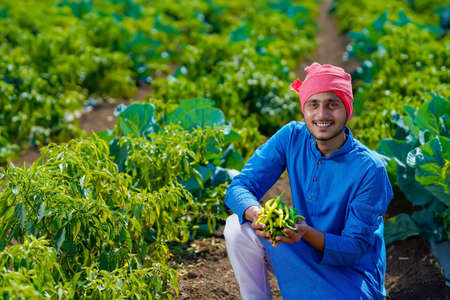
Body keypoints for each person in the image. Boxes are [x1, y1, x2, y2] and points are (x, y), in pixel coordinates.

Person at [223, 62, 393, 300]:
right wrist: (256, 214)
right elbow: (238, 187)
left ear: (348, 110)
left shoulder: (369, 169)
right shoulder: (292, 136)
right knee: (237, 227)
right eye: (314, 104)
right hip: (301, 248)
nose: (322, 114)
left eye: (332, 105)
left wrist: (305, 233)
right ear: (304, 109)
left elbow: (354, 250)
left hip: (349, 275)